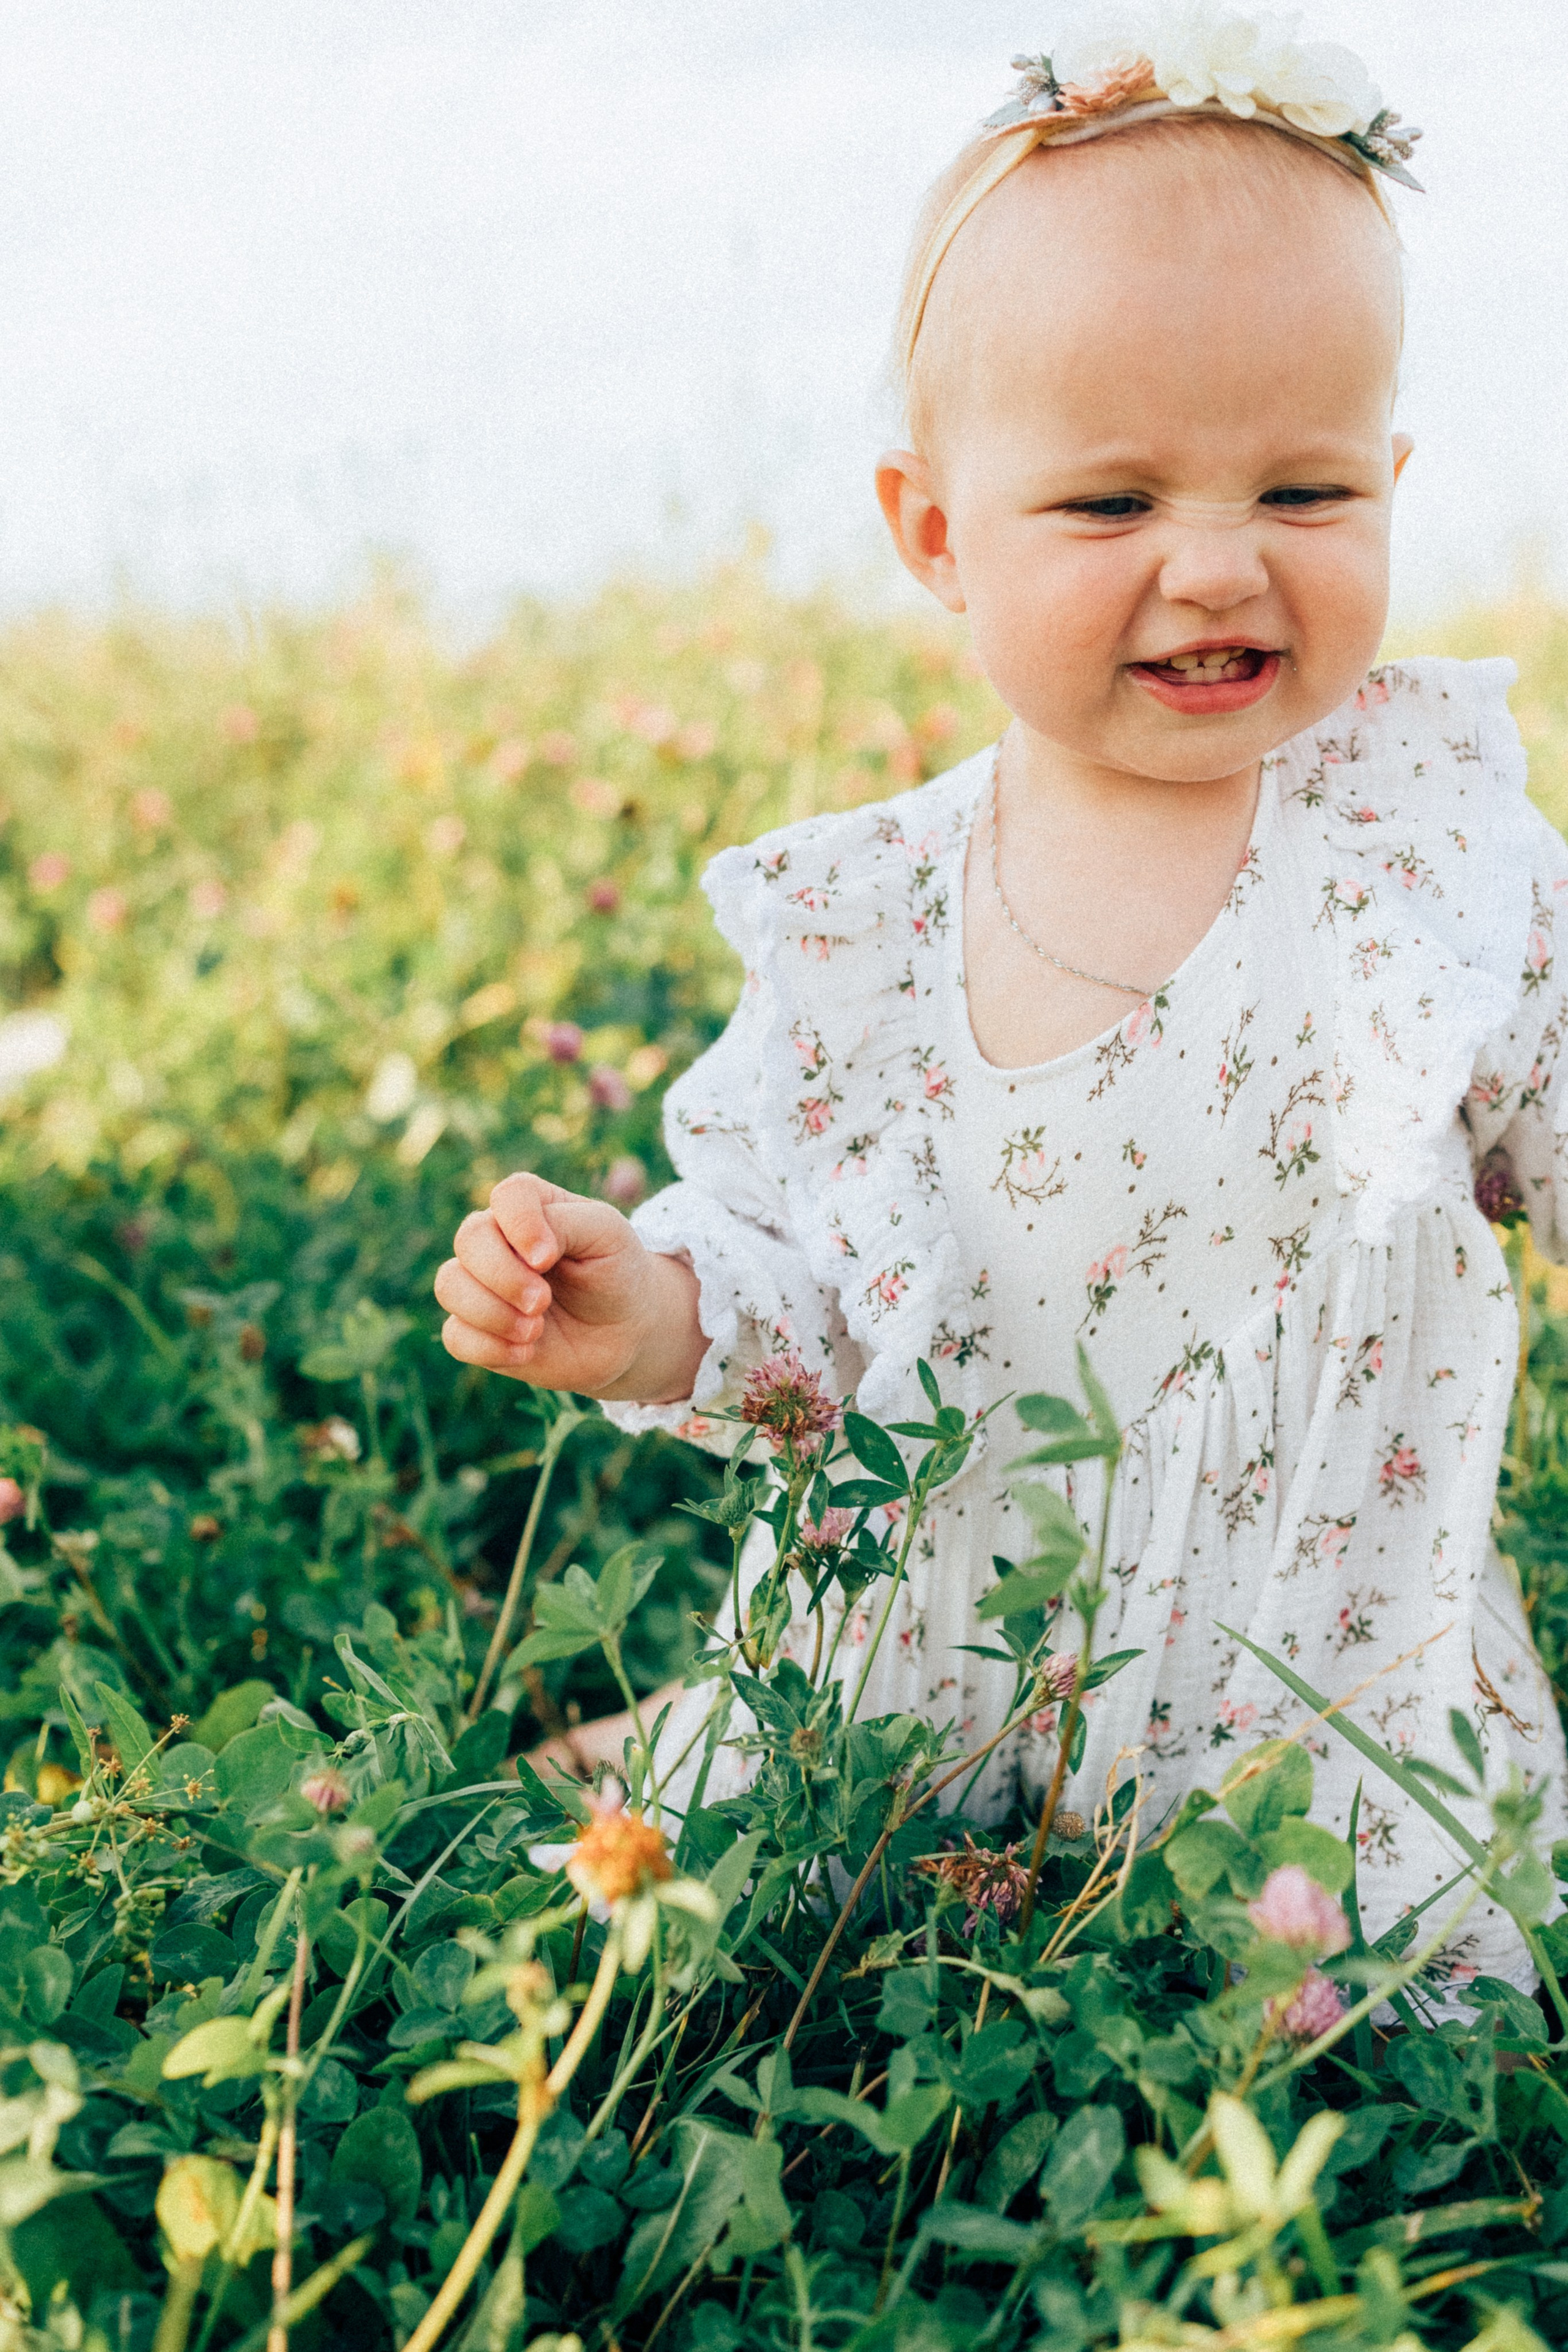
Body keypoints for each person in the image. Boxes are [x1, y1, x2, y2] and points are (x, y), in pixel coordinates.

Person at [435, 7, 1568, 1999]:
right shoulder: (869, 929)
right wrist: (649, 1319)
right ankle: (717, 1747)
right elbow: (813, 1318)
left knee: (1380, 1997)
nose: (1215, 567)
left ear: (1393, 477)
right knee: (727, 1912)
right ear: (937, 537)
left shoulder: (1427, 853)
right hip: (936, 1657)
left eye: (1305, 496)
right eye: (1113, 507)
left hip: (1311, 1680)